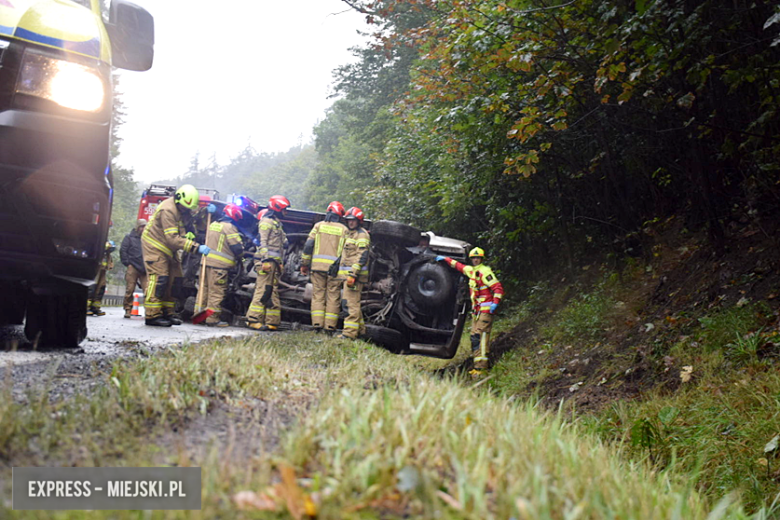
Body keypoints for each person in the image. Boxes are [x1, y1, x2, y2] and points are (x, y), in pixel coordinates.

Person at [141, 184, 210, 327]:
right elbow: (172, 239)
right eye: (185, 207)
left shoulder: (181, 209)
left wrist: (187, 234)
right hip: (155, 246)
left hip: (168, 249)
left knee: (175, 280)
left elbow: (185, 225)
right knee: (159, 279)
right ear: (178, 200)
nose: (186, 210)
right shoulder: (168, 210)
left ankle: (168, 312)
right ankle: (152, 315)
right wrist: (195, 247)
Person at [437, 247, 504, 376]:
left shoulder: (485, 271)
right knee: (474, 338)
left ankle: (482, 368)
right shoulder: (472, 271)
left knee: (481, 337)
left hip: (485, 310)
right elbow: (459, 266)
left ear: (481, 259)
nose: (475, 260)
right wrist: (445, 259)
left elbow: (498, 288)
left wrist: (494, 303)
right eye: (473, 258)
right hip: (477, 312)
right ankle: (477, 366)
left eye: (478, 258)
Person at [300, 201, 347, 333]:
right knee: (333, 297)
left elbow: (308, 245)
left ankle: (317, 325)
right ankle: (330, 327)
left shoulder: (318, 226)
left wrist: (304, 264)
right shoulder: (344, 230)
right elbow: (347, 251)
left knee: (318, 296)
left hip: (317, 267)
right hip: (335, 271)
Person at [247, 196, 290, 331]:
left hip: (274, 264)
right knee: (262, 290)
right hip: (265, 262)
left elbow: (281, 246)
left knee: (272, 292)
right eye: (284, 209)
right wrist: (265, 260)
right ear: (277, 208)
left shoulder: (277, 223)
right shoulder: (266, 221)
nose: (286, 212)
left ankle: (272, 322)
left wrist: (279, 263)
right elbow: (262, 243)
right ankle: (253, 319)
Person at [199, 203, 245, 327]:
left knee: (204, 291)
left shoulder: (213, 224)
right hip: (219, 267)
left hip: (205, 263)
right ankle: (212, 319)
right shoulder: (229, 227)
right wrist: (242, 256)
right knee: (216, 293)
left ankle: (200, 317)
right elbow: (237, 248)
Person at [336, 207, 370, 340]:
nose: (350, 223)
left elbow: (362, 255)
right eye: (348, 221)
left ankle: (349, 334)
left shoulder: (361, 235)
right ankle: (361, 332)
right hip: (348, 275)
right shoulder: (350, 234)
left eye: (353, 221)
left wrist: (353, 274)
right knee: (353, 303)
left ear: (359, 221)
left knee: (350, 304)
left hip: (354, 277)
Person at [120, 219, 148, 318]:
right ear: (137, 227)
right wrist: (128, 264)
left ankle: (148, 311)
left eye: (145, 226)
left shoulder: (148, 239)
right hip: (133, 266)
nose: (143, 229)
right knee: (130, 289)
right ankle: (128, 309)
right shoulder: (129, 238)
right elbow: (123, 251)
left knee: (147, 290)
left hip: (145, 268)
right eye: (142, 226)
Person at [87, 240, 115, 316]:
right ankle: (87, 307)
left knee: (101, 288)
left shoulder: (107, 250)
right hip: (95, 268)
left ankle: (96, 308)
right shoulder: (98, 240)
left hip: (103, 269)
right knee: (92, 287)